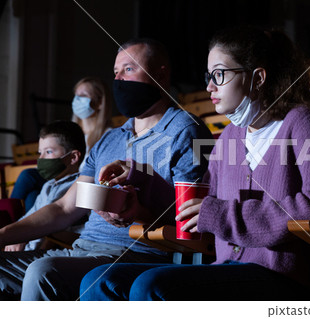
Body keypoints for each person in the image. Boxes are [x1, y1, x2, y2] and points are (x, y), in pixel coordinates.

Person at [80, 26, 310, 301]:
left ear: (258, 78)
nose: (209, 87)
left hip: (282, 277)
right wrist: (138, 187)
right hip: (227, 270)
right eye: (209, 76)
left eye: (219, 74)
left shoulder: (300, 123)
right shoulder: (230, 135)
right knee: (100, 281)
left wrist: (224, 215)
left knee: (151, 285)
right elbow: (198, 209)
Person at [0, 38, 212, 301]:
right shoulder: (110, 139)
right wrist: (4, 235)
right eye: (115, 72)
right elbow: (64, 208)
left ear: (160, 73)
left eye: (129, 69)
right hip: (81, 250)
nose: (119, 80)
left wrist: (138, 211)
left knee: (43, 271)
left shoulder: (187, 130)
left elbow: (191, 216)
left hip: (136, 254)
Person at [10, 77, 113, 212]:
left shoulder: (108, 136)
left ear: (100, 102)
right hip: (58, 178)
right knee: (32, 196)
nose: (77, 100)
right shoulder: (69, 132)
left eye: (83, 96)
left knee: (28, 175)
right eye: (76, 95)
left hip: (79, 184)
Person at [4, 120, 86, 252]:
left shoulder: (79, 186)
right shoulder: (48, 185)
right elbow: (29, 218)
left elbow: (69, 230)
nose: (41, 159)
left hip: (47, 254)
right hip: (25, 251)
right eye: (39, 153)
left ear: (73, 157)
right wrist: (15, 235)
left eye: (48, 152)